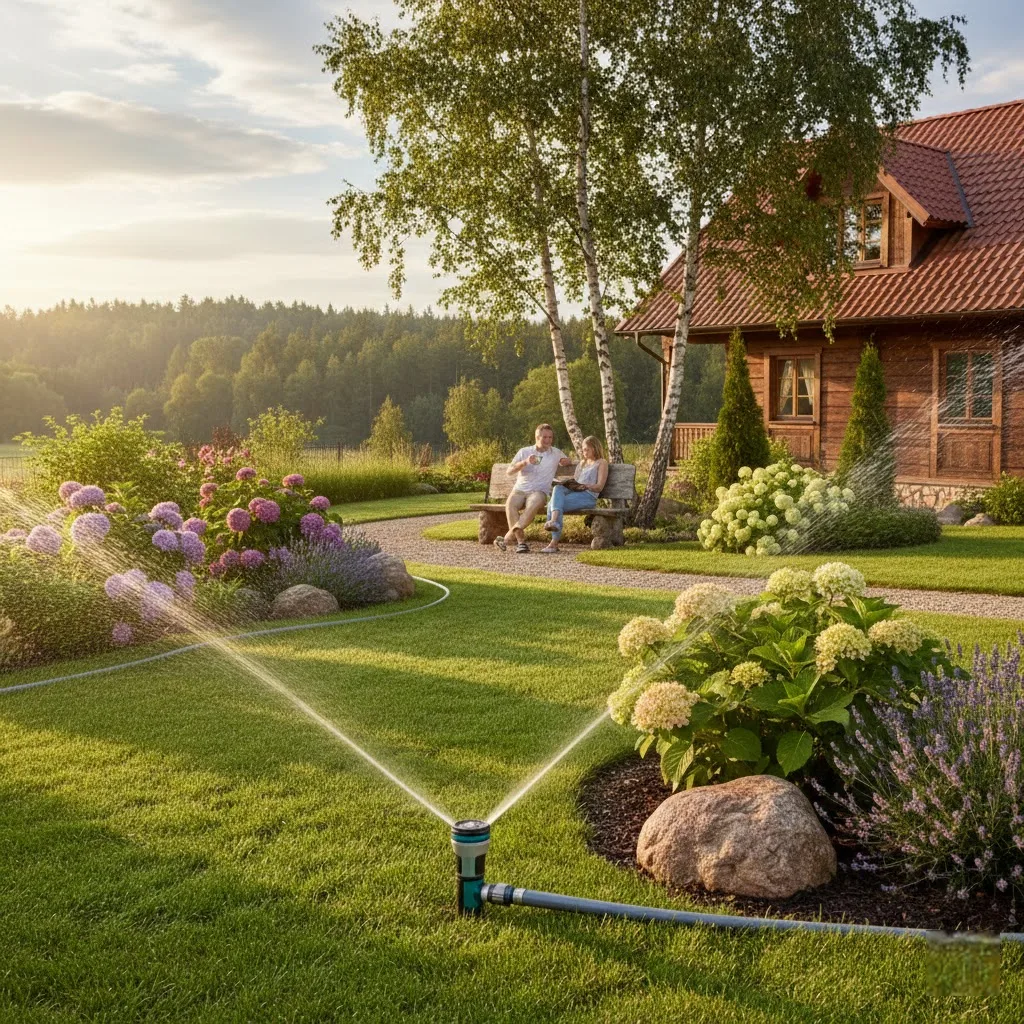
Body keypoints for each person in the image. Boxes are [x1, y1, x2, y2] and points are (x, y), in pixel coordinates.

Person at [496, 423, 572, 553]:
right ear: (537, 437)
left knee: (532, 505)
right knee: (510, 505)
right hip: (520, 489)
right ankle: (521, 542)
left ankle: (507, 537)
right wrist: (525, 462)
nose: (548, 440)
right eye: (545, 437)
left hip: (539, 491)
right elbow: (509, 471)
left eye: (550, 437)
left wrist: (567, 461)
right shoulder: (525, 452)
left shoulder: (555, 453)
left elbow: (568, 460)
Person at [540, 435, 607, 554]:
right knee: (558, 488)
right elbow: (575, 482)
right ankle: (554, 528)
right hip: (576, 492)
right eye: (583, 449)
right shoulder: (582, 463)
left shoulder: (601, 463)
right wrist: (570, 484)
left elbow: (600, 486)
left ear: (595, 448)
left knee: (552, 505)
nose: (584, 452)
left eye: (587, 449)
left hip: (588, 497)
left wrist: (586, 485)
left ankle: (553, 542)